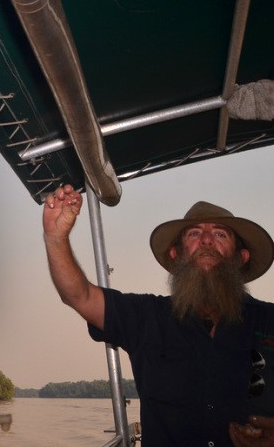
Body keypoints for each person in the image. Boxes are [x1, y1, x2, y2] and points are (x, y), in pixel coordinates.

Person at [43, 184, 274, 446]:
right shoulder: (147, 318)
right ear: (176, 255)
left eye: (220, 234)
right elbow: (79, 296)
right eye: (195, 234)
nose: (207, 241)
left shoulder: (269, 320)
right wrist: (56, 238)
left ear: (241, 257)